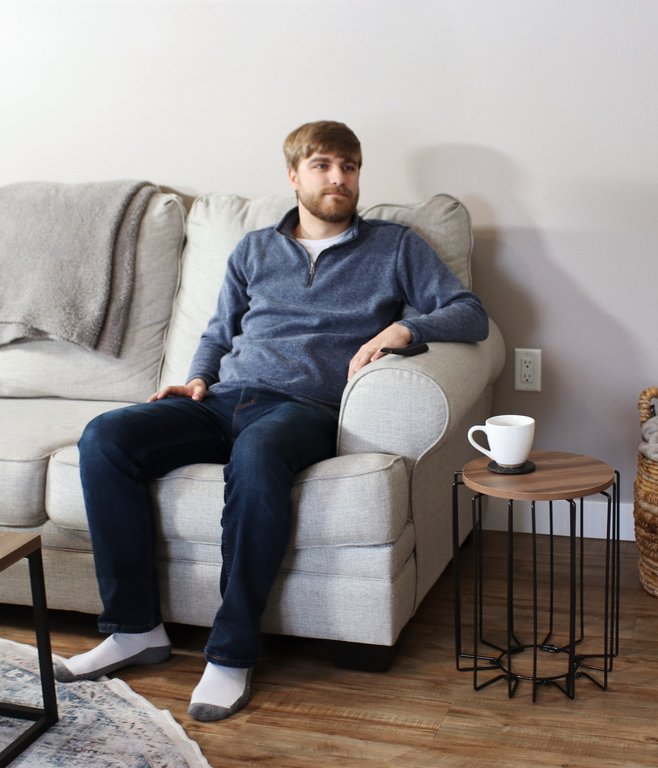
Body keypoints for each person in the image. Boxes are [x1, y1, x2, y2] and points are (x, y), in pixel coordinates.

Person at [54, 120, 489, 721]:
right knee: (107, 436)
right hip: (224, 396)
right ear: (294, 176)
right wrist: (198, 377)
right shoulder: (254, 249)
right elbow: (219, 329)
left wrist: (403, 327)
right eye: (323, 165)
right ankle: (134, 629)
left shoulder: (396, 246)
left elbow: (470, 314)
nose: (339, 178)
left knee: (256, 458)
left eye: (350, 166)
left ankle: (231, 653)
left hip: (305, 408)